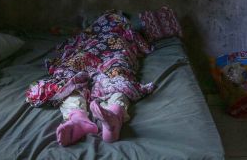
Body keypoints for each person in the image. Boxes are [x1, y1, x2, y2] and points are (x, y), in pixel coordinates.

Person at [25, 11, 154, 146]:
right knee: (70, 80)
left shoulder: (127, 28)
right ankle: (79, 119)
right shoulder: (91, 30)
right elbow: (78, 37)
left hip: (116, 49)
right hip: (89, 49)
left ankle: (114, 115)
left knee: (118, 74)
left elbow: (140, 43)